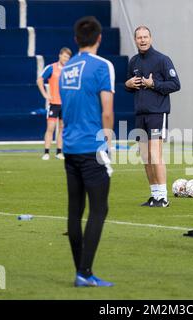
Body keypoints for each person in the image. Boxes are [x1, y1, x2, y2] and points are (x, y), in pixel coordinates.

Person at [59, 16, 115, 287]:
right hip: (93, 148)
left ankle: (82, 271)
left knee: (74, 211)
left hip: (69, 148)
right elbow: (107, 110)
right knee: (99, 210)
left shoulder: (66, 67)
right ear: (99, 38)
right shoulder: (103, 66)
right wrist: (109, 143)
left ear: (76, 40)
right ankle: (85, 272)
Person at [125, 26, 181, 207]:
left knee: (155, 154)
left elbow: (175, 84)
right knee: (145, 156)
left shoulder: (162, 60)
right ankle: (154, 195)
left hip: (157, 113)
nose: (142, 40)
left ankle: (163, 197)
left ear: (151, 38)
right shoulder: (133, 61)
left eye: (145, 37)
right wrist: (128, 83)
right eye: (139, 37)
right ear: (135, 40)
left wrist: (153, 84)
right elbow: (128, 85)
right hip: (140, 114)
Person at [37, 47, 72, 160]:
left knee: (62, 128)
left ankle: (59, 152)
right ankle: (46, 152)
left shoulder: (70, 69)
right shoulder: (51, 67)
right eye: (65, 56)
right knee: (50, 128)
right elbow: (40, 80)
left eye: (68, 57)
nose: (66, 59)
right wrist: (45, 94)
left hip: (65, 104)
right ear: (60, 55)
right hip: (54, 103)